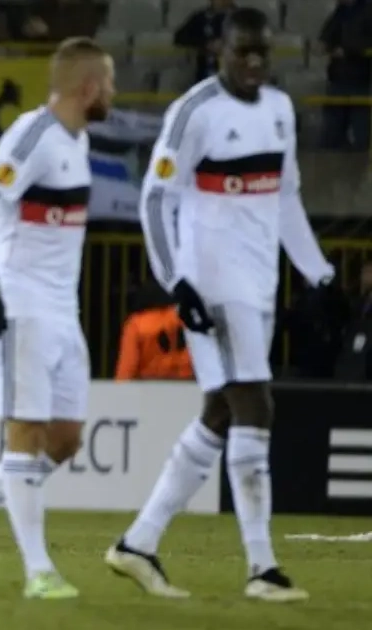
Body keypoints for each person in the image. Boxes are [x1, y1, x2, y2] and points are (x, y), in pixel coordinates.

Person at [109, 9, 328, 602]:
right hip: (211, 284)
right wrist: (177, 282)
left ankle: (138, 543)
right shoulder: (195, 111)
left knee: (221, 413)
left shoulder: (280, 109)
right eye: (241, 51)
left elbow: (286, 198)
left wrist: (319, 271)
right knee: (255, 403)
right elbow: (156, 200)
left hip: (259, 284)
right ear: (219, 51)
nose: (253, 62)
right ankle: (262, 568)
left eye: (261, 52)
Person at [0, 36, 115, 599]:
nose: (113, 93)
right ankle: (39, 571)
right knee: (26, 434)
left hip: (63, 309)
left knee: (65, 439)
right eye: (108, 83)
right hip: (19, 304)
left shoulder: (77, 141)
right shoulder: (34, 134)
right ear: (88, 87)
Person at [114, 283, 194, 381]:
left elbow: (127, 367)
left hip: (150, 386)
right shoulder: (187, 317)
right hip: (189, 383)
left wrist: (120, 386)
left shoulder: (136, 323)